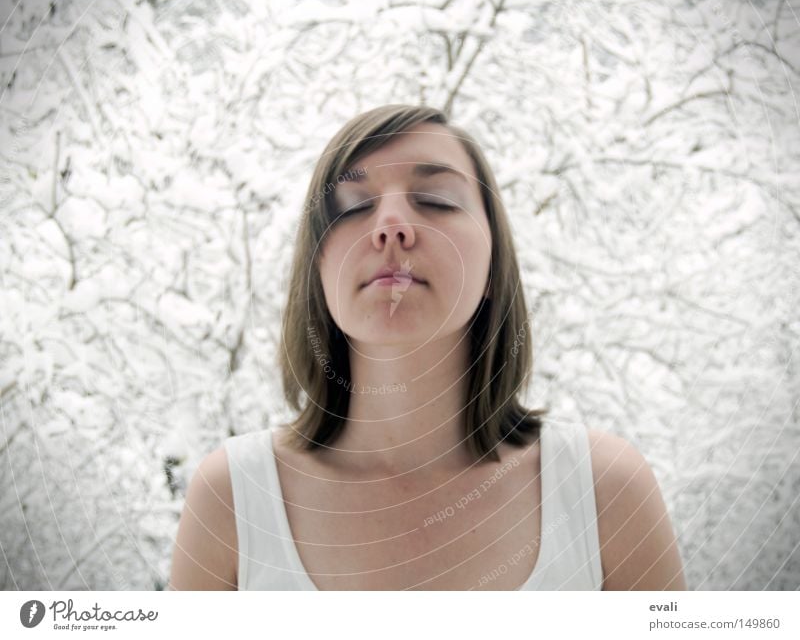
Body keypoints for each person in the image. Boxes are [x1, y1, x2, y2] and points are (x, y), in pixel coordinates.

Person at [168, 104, 687, 591]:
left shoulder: (604, 490)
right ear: (318, 269)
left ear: (492, 267)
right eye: (352, 206)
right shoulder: (232, 498)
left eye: (437, 199)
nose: (392, 225)